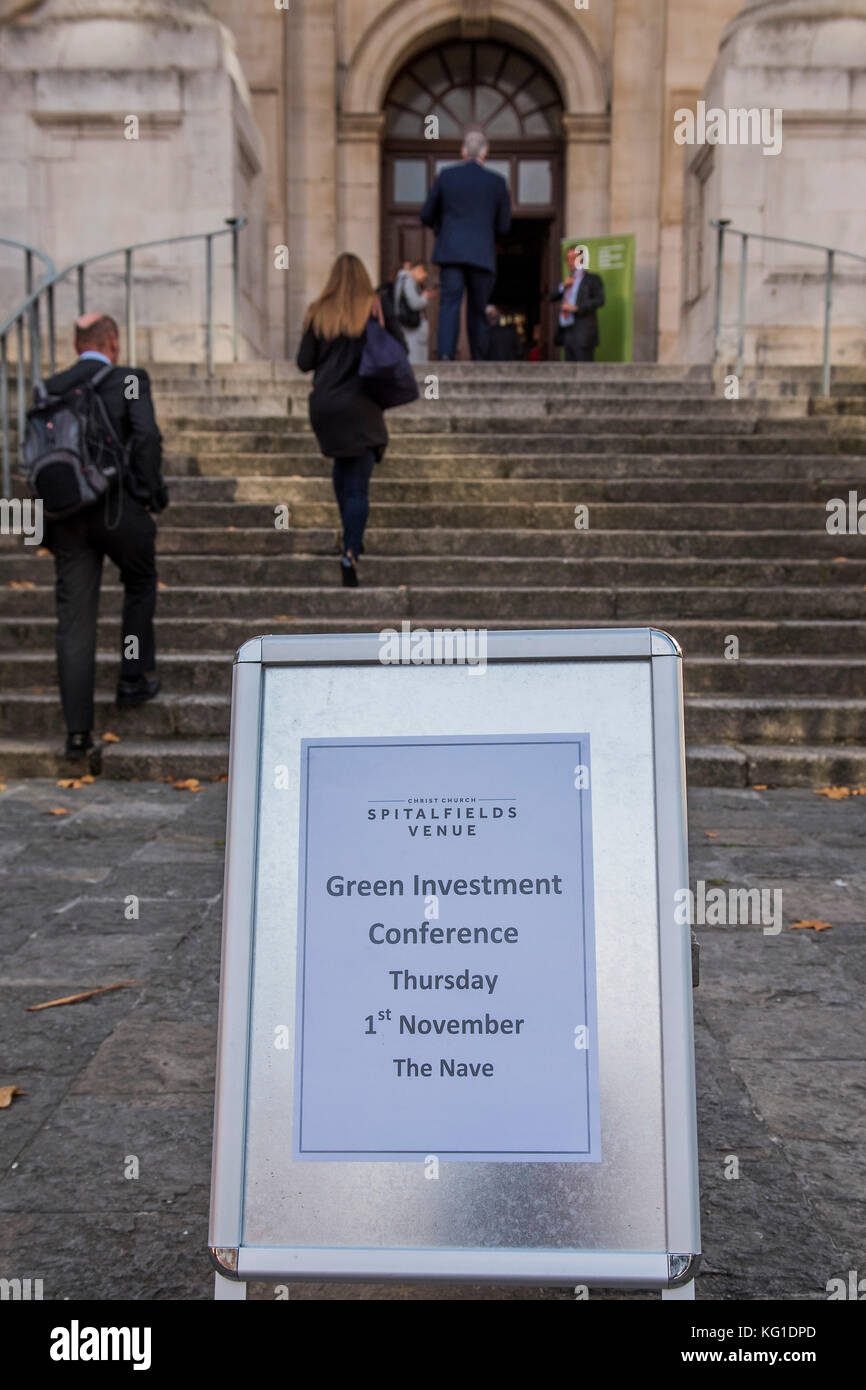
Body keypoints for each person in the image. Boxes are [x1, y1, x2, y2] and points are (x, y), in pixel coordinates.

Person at [43, 313, 167, 761]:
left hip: (67, 515)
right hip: (119, 509)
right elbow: (148, 436)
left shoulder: (50, 387)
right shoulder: (129, 380)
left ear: (78, 345)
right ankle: (132, 676)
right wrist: (151, 493)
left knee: (74, 623)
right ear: (112, 341)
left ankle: (78, 735)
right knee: (139, 583)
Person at [297, 252, 406, 588]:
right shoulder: (376, 306)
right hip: (361, 403)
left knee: (343, 469)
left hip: (326, 405)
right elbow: (400, 349)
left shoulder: (319, 311)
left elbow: (304, 362)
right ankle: (350, 549)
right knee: (358, 483)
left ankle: (351, 537)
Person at [420, 128, 511, 361]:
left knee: (449, 303)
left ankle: (445, 355)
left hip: (451, 251)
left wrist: (444, 230)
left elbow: (426, 214)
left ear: (462, 152)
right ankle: (479, 358)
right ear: (485, 153)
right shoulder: (497, 182)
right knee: (478, 309)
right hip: (482, 253)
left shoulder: (446, 176)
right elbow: (503, 226)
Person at [550, 245, 605, 362]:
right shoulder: (568, 281)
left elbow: (600, 300)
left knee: (584, 369)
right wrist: (562, 286)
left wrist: (577, 307)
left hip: (583, 332)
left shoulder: (591, 279)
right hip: (567, 330)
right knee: (569, 369)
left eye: (573, 257)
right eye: (568, 258)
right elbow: (551, 297)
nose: (570, 261)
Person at [394, 261, 434, 363]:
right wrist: (424, 297)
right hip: (411, 326)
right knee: (415, 357)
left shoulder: (401, 280)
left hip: (406, 324)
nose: (423, 277)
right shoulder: (408, 280)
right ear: (419, 269)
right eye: (423, 273)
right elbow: (415, 303)